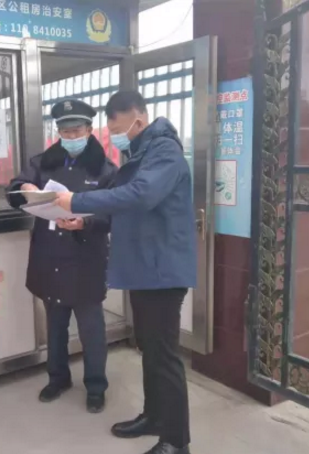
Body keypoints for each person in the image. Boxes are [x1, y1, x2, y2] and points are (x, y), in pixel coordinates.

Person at [56, 91, 196, 454]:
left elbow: (139, 195)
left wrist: (77, 201)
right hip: (144, 268)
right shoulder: (142, 153)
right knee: (149, 349)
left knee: (164, 356)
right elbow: (124, 209)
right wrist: (84, 221)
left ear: (138, 118)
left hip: (162, 270)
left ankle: (176, 441)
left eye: (118, 128)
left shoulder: (164, 152)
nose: (116, 135)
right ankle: (155, 416)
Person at [7, 99, 117, 413]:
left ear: (89, 129)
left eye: (76, 131)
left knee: (91, 329)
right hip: (50, 256)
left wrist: (85, 222)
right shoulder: (43, 162)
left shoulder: (105, 170)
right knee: (54, 327)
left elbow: (115, 214)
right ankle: (58, 378)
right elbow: (14, 190)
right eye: (65, 132)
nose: (71, 137)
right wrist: (24, 187)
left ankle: (96, 386)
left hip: (85, 259)